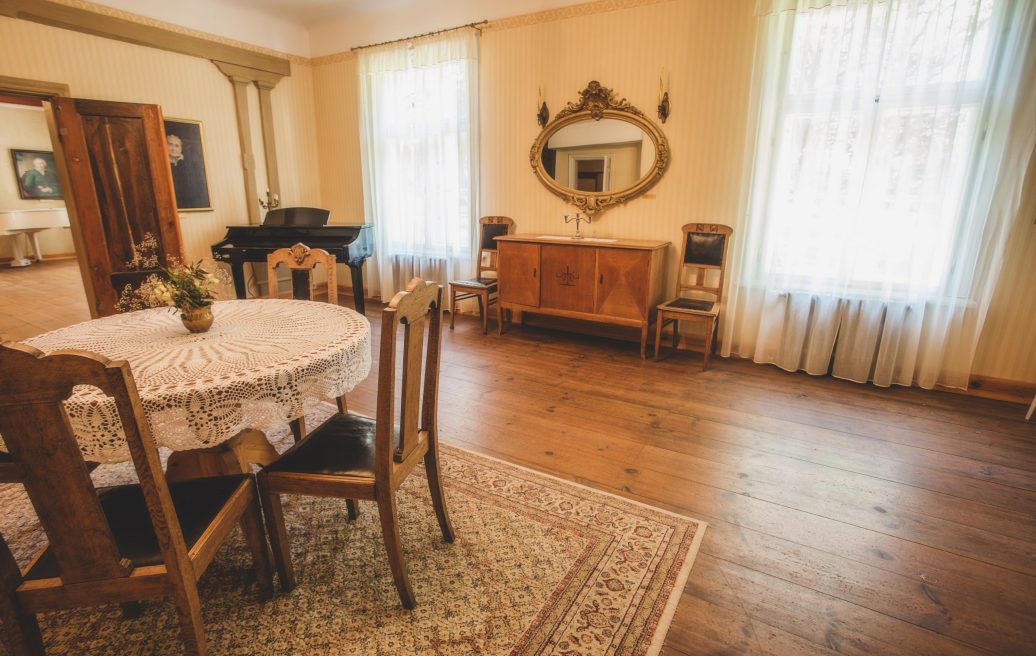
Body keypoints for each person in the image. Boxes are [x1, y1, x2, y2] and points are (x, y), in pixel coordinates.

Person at [166, 133, 210, 210]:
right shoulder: (160, 163)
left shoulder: (191, 164)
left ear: (181, 148)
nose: (173, 149)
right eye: (170, 144)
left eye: (177, 146)